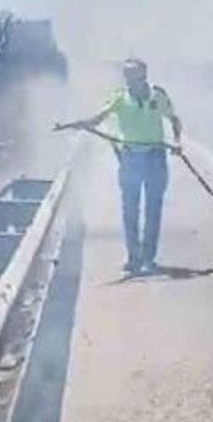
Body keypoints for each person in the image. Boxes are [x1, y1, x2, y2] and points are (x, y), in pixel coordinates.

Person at [61, 58, 183, 275]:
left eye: (133, 74)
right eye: (126, 74)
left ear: (143, 75)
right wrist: (78, 124)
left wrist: (177, 142)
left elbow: (174, 119)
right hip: (130, 158)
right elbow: (98, 118)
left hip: (155, 156)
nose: (128, 78)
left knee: (153, 210)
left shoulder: (158, 95)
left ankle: (148, 258)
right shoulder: (119, 98)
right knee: (130, 210)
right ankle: (134, 258)